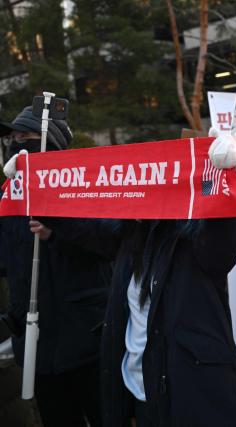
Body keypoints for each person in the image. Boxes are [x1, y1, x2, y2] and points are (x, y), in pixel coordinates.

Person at [7, 134, 236, 426]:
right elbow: (85, 227)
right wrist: (35, 189)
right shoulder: (131, 235)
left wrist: (229, 186)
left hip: (192, 399)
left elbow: (223, 238)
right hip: (140, 394)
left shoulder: (193, 241)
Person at [0, 106, 109, 426]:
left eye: (25, 137)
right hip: (37, 350)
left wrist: (55, 234)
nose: (15, 143)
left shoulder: (83, 188)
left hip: (88, 344)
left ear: (51, 144)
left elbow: (108, 245)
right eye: (12, 138)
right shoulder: (8, 197)